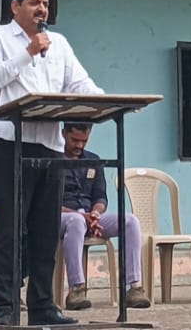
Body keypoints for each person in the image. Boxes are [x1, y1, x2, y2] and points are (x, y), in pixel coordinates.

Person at [0, 0, 101, 327]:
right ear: (15, 6)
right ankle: (5, 306)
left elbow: (79, 83)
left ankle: (43, 305)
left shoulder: (58, 43)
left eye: (45, 4)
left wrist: (104, 101)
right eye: (34, 3)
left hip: (50, 145)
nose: (42, 10)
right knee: (9, 229)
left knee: (46, 231)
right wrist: (28, 52)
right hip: (9, 143)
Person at [58, 122, 151, 310]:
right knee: (77, 221)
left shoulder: (93, 160)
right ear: (63, 133)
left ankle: (134, 287)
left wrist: (95, 214)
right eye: (74, 140)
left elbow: (100, 197)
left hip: (89, 217)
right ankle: (77, 289)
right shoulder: (52, 160)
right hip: (61, 216)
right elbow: (48, 202)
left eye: (84, 141)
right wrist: (80, 215)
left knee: (130, 221)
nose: (79, 145)